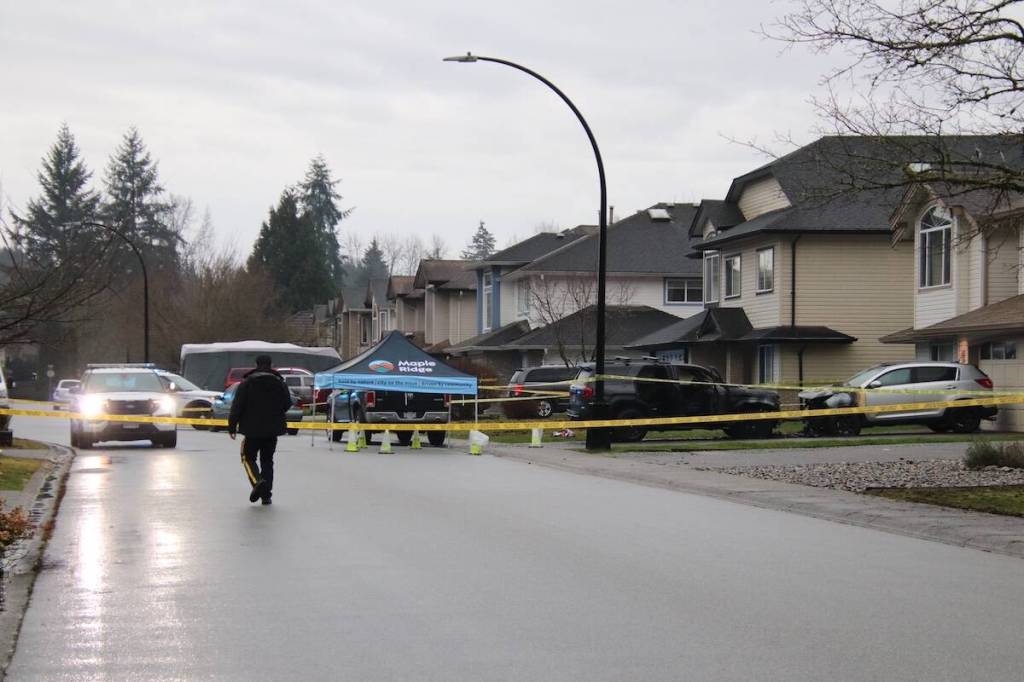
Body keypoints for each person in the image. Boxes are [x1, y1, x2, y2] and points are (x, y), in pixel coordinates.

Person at [228, 355, 293, 505]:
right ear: (271, 364)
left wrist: (232, 426)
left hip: (251, 430)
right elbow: (287, 403)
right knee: (267, 460)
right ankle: (266, 495)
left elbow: (237, 406)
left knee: (247, 457)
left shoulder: (247, 383)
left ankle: (257, 481)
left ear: (256, 365)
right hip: (273, 429)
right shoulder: (279, 383)